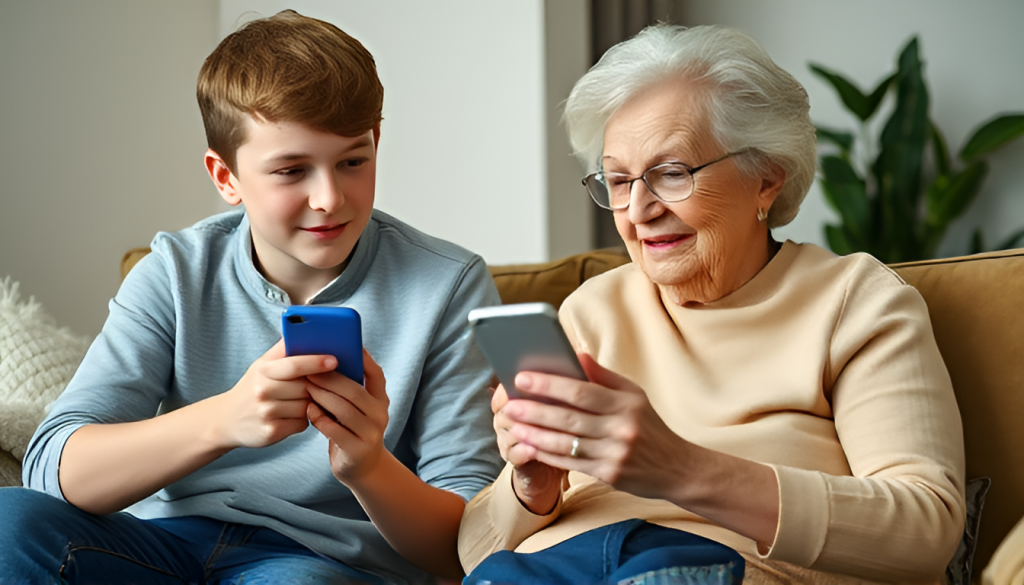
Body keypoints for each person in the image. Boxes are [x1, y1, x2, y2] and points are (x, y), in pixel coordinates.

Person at [0, 10, 502, 584]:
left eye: (353, 161)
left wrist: (367, 466)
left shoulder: (447, 284)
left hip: (319, 561)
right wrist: (224, 421)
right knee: (8, 523)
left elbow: (465, 546)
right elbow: (50, 469)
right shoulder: (174, 271)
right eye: (292, 170)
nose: (329, 198)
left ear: (377, 141)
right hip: (158, 548)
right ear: (225, 177)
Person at [458, 24, 966, 585]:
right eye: (618, 180)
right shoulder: (592, 311)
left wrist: (679, 470)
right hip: (563, 563)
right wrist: (532, 487)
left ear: (766, 178)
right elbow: (473, 553)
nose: (637, 209)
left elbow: (926, 529)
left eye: (671, 174)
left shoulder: (852, 302)